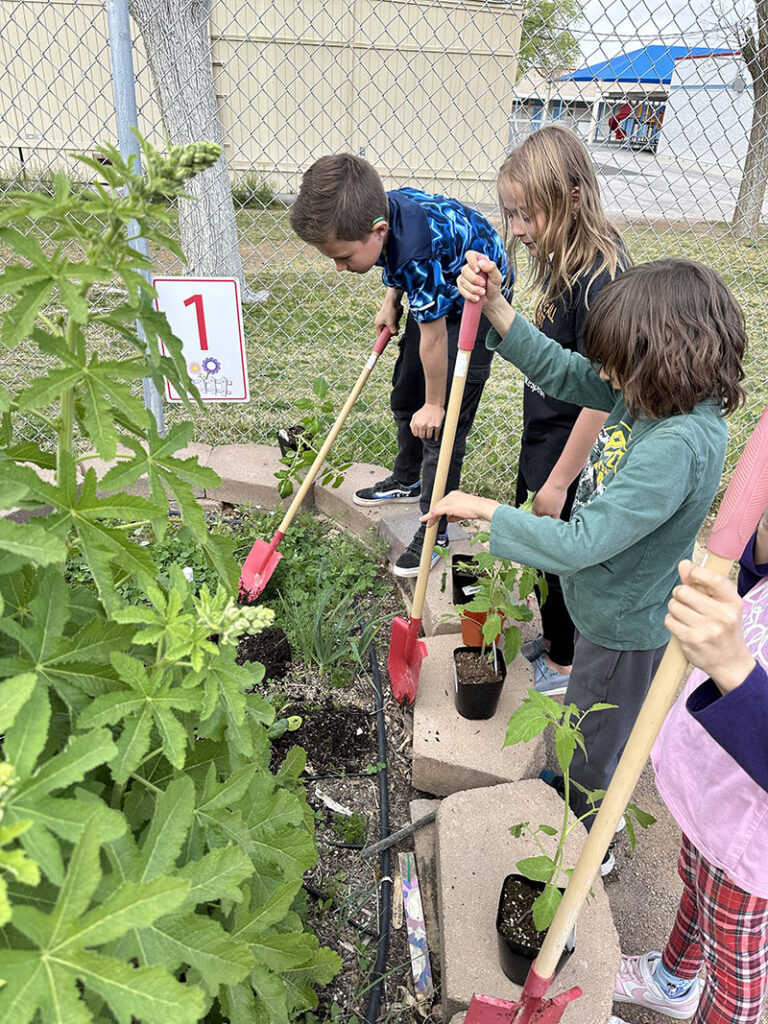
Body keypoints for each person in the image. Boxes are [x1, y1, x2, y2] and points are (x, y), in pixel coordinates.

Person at [421, 255, 747, 869]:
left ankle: (590, 840)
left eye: (613, 365)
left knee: (597, 736)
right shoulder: (650, 393)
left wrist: (487, 511)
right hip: (606, 605)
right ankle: (575, 795)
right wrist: (495, 309)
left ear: (660, 358)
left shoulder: (677, 444)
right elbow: (565, 371)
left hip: (626, 624)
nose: (602, 374)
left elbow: (580, 543)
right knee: (587, 716)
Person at [289, 153, 509, 577]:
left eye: (344, 257)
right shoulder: (385, 213)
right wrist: (391, 300)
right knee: (406, 391)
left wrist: (436, 403)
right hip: (440, 281)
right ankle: (407, 477)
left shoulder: (414, 252)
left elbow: (434, 336)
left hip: (478, 301)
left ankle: (435, 526)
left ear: (378, 231)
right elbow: (391, 263)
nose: (338, 267)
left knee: (441, 424)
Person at [611, 517, 768, 1024]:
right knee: (697, 889)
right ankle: (672, 980)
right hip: (712, 790)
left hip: (752, 842)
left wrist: (734, 669)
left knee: (734, 967)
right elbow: (753, 580)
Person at [496, 124, 629, 696]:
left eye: (528, 214)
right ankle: (552, 641)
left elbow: (602, 402)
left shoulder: (604, 279)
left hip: (576, 453)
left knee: (564, 554)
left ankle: (568, 662)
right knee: (547, 551)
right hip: (548, 432)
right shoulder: (563, 256)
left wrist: (557, 481)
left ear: (572, 197)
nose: (519, 229)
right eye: (512, 215)